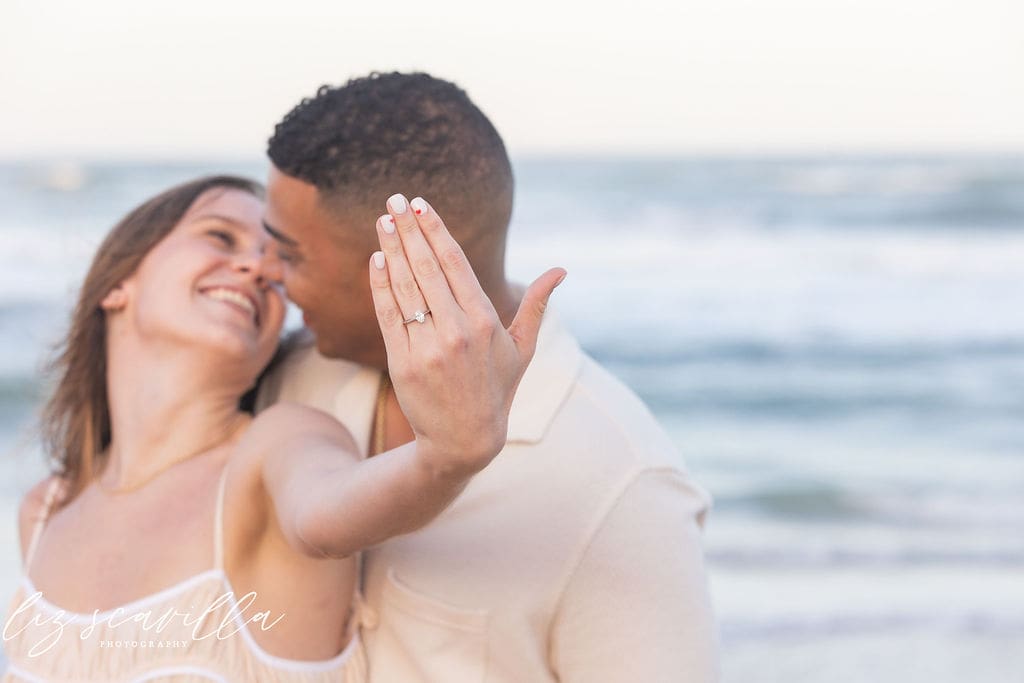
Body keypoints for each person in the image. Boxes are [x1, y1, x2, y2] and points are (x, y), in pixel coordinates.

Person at [3, 175, 562, 682]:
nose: (259, 269)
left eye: (276, 268)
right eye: (220, 238)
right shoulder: (44, 511)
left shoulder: (274, 449)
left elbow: (324, 513)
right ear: (116, 284)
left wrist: (443, 457)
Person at [258, 72, 720, 682]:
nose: (265, 273)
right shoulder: (288, 380)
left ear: (406, 263)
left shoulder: (620, 482)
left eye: (290, 254)